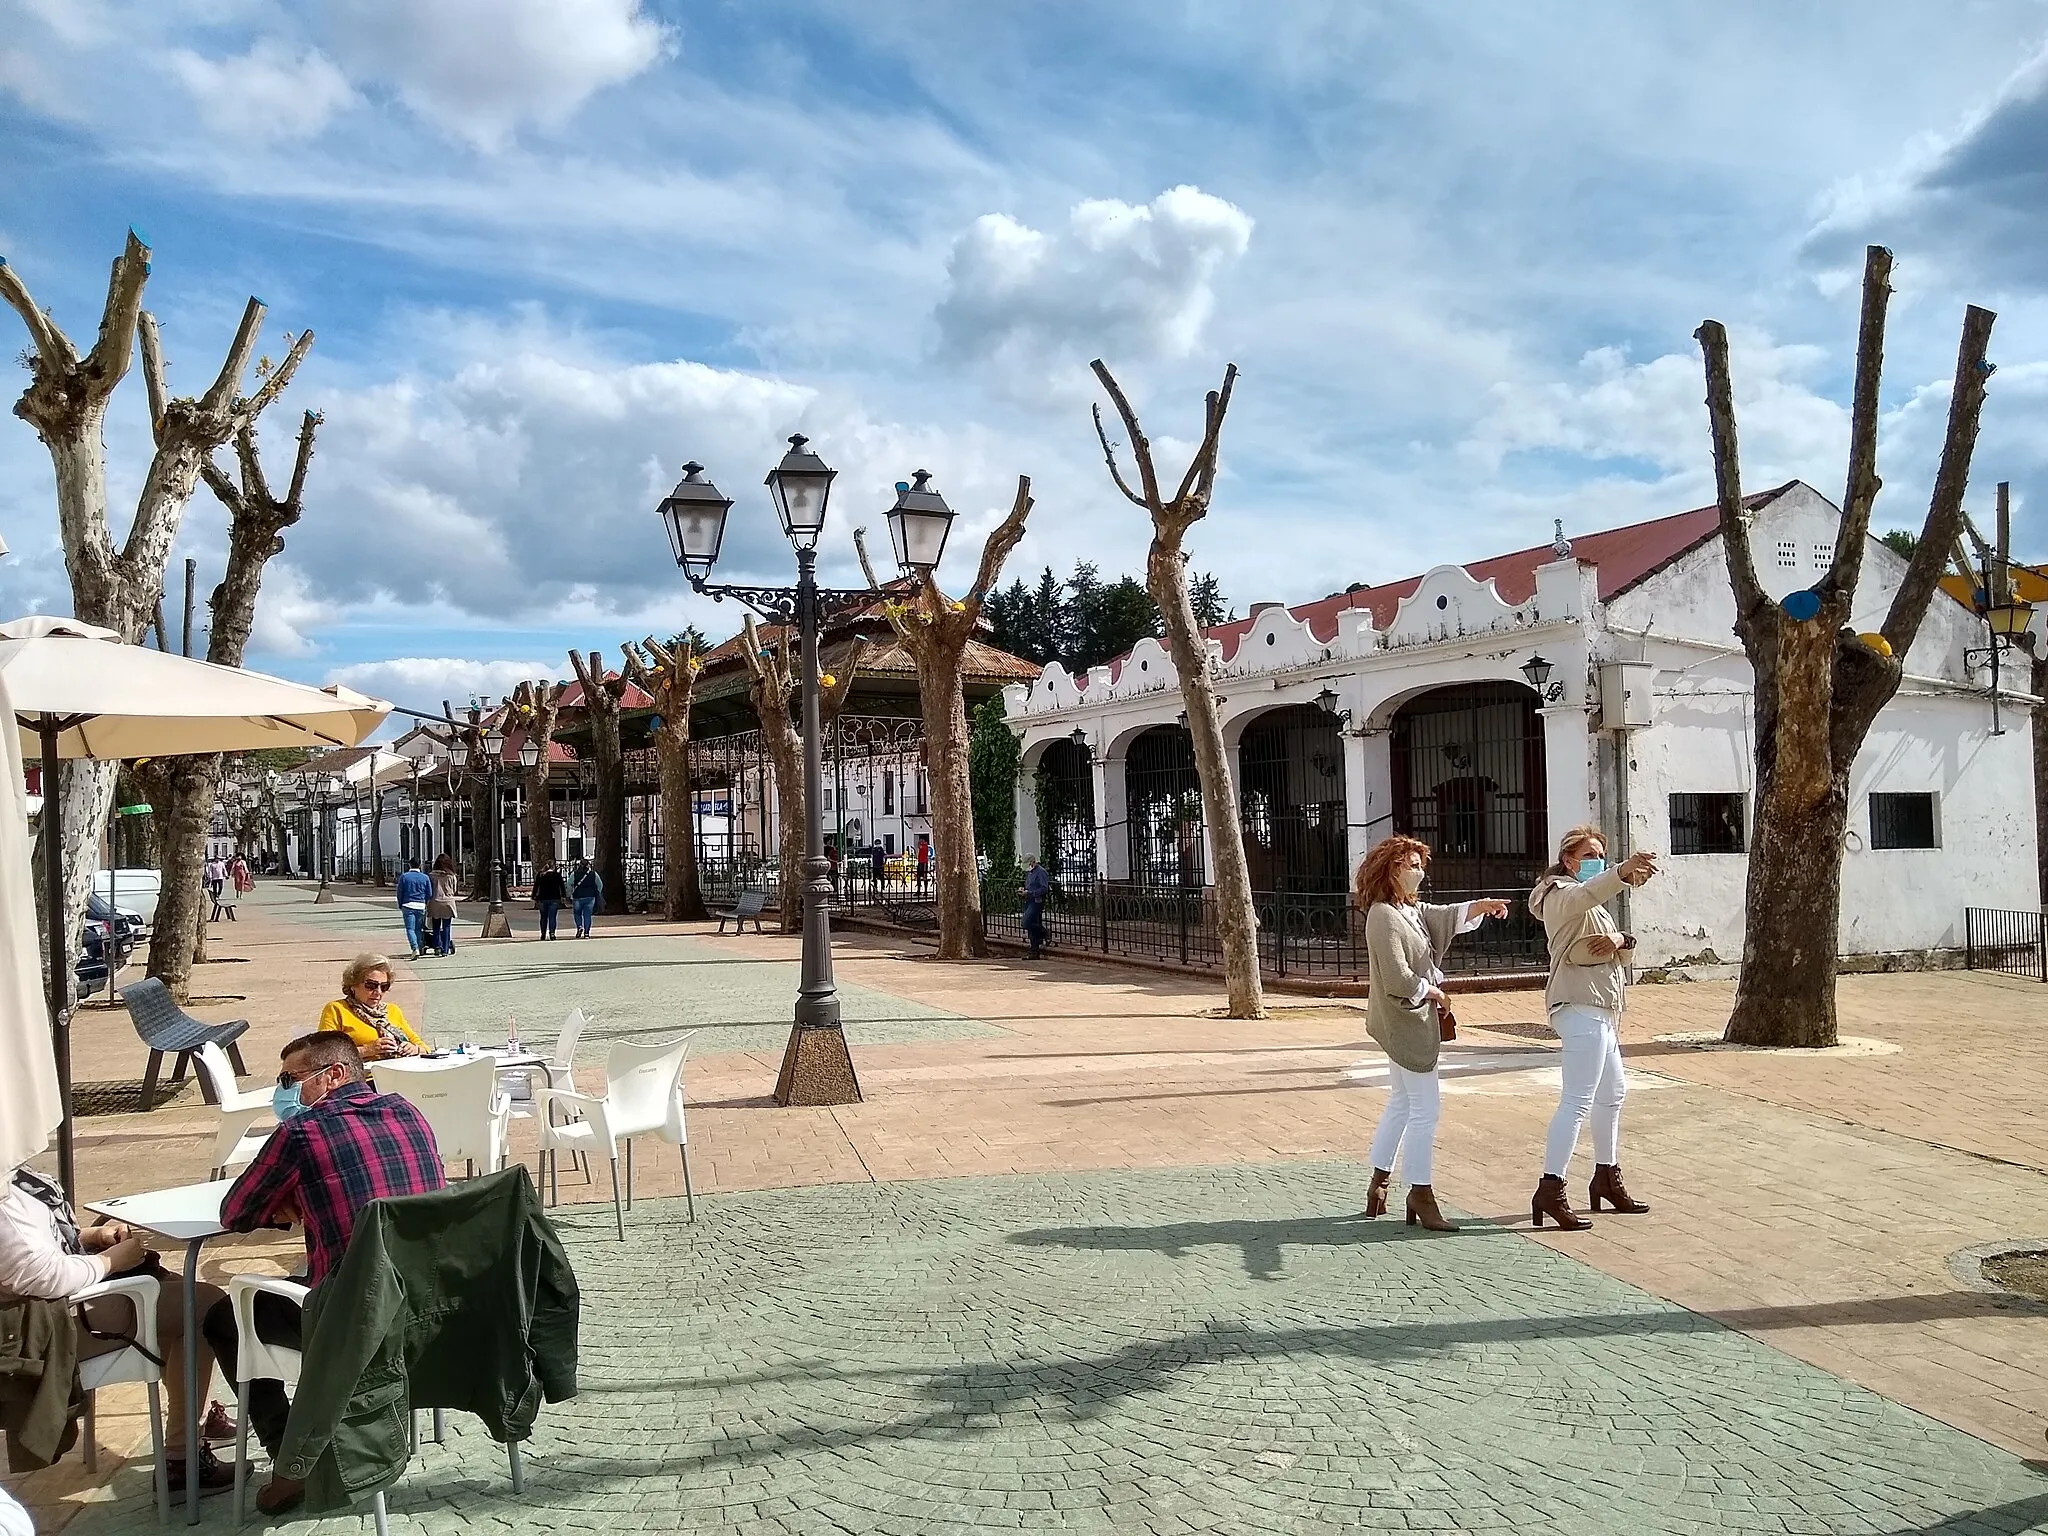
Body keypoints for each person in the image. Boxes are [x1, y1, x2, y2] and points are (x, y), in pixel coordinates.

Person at [201, 1032, 444, 1515]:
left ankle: (289, 1460)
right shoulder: (407, 1112)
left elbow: (235, 1212)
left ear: (333, 1074)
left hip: (355, 1321)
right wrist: (301, 1203)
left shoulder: (301, 1134)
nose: (286, 1090)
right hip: (431, 1303)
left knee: (224, 1320)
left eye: (292, 1079)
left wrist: (283, 1208)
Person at [0, 1165, 234, 1492]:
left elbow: (33, 1245)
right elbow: (42, 1276)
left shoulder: (11, 1168)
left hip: (59, 1306)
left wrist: (92, 1237)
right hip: (45, 1325)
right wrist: (112, 1261)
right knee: (205, 1305)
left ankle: (191, 1421)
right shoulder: (3, 1196)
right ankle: (182, 1459)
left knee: (177, 1295)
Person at [1355, 835, 1510, 1233]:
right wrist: (1434, 991)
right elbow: (1397, 977)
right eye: (1413, 865)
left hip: (1405, 1019)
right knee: (1426, 1109)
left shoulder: (1407, 909)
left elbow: (1440, 915)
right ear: (1394, 869)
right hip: (1405, 1020)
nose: (1420, 872)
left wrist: (1481, 906)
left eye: (1421, 865)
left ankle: (1379, 1184)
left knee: (1402, 1102)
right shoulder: (1383, 915)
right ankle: (1420, 1193)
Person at [1527, 826, 1660, 1230]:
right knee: (1577, 1100)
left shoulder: (1591, 903)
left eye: (1601, 855)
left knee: (1613, 1093)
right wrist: (1621, 871)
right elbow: (1588, 894)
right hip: (1578, 1005)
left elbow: (1615, 952)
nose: (1596, 861)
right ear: (1569, 860)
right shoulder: (1557, 895)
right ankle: (1551, 1186)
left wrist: (1621, 937)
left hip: (1602, 1006)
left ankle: (1606, 1175)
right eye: (1589, 855)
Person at [317, 954, 427, 1060]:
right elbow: (325, 1054)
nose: (378, 992)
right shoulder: (337, 1009)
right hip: (363, 1076)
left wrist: (414, 1049)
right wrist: (367, 1050)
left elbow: (424, 1048)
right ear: (353, 985)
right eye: (370, 986)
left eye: (384, 987)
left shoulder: (392, 1010)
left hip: (399, 1072)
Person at [394, 859, 432, 958]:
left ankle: (414, 948)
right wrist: (425, 902)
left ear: (409, 865)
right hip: (420, 905)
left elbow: (400, 892)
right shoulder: (425, 877)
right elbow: (429, 893)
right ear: (420, 865)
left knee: (410, 928)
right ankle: (419, 946)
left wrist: (400, 904)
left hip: (408, 904)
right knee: (418, 929)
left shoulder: (404, 877)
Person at [427, 853, 460, 956]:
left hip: (435, 901)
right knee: (446, 926)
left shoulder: (431, 876)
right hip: (448, 902)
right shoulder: (451, 876)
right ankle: (445, 950)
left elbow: (429, 890)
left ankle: (437, 946)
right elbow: (454, 890)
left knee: (436, 926)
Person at [1020, 855, 1051, 959]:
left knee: (1026, 922)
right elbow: (1029, 885)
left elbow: (1044, 888)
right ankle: (1034, 951)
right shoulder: (1030, 872)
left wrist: (1031, 893)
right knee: (1031, 927)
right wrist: (1024, 890)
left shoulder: (1041, 872)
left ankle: (1043, 932)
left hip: (1037, 901)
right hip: (1029, 900)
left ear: (1033, 862)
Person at [532, 863, 568, 940]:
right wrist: (563, 896)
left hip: (542, 898)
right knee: (552, 917)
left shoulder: (540, 875)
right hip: (554, 898)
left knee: (543, 917)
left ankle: (543, 933)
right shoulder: (557, 875)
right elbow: (562, 886)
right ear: (553, 867)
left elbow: (536, 886)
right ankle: (552, 933)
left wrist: (534, 895)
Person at [570, 859, 602, 939]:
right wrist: (597, 893)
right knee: (587, 915)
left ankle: (579, 926)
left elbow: (569, 884)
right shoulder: (593, 874)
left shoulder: (574, 874)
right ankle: (587, 933)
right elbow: (600, 884)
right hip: (590, 896)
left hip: (577, 896)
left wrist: (570, 894)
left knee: (577, 913)